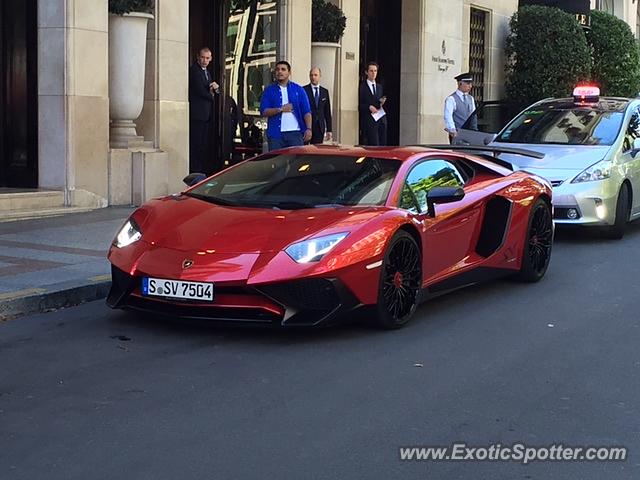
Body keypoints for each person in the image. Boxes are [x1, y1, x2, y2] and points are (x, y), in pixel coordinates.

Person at [259, 61, 312, 151]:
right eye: (277, 70)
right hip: (276, 135)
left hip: (295, 133)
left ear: (289, 72)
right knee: (277, 163)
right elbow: (263, 111)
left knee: (296, 163)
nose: (280, 72)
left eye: (283, 69)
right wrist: (280, 109)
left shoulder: (298, 90)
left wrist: (309, 129)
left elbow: (306, 111)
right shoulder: (269, 90)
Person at [189, 47, 219, 173]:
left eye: (207, 58)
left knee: (203, 145)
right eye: (202, 57)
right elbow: (199, 90)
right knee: (196, 145)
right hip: (197, 115)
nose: (205, 60)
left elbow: (211, 88)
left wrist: (216, 89)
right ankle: (196, 171)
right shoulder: (194, 71)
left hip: (206, 115)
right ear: (197, 57)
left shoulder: (207, 72)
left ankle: (202, 170)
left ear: (211, 59)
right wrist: (212, 94)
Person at [443, 72, 477, 144]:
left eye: (471, 83)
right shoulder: (451, 99)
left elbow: (473, 115)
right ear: (460, 83)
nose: (470, 86)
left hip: (469, 133)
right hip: (457, 133)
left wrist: (475, 130)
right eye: (468, 83)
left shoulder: (471, 98)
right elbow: (448, 116)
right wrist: (452, 130)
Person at [359, 62, 387, 146]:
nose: (373, 73)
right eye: (371, 71)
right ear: (366, 72)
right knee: (374, 145)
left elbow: (378, 102)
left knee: (382, 145)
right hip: (369, 121)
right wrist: (369, 107)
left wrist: (381, 102)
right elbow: (359, 104)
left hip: (380, 119)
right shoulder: (362, 87)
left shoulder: (379, 87)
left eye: (375, 71)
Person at [303, 67, 333, 144]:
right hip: (307, 126)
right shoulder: (304, 90)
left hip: (319, 127)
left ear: (320, 76)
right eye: (311, 75)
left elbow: (327, 112)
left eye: (315, 75)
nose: (313, 77)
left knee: (317, 150)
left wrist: (329, 130)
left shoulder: (324, 92)